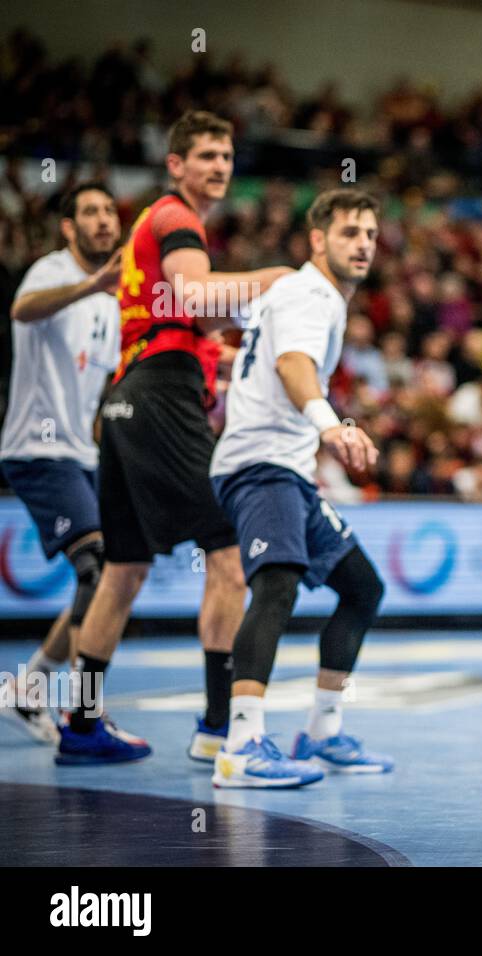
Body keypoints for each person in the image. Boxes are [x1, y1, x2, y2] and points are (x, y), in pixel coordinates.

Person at [59, 110, 292, 765]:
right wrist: (276, 281)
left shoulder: (157, 227)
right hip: (158, 399)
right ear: (176, 165)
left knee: (123, 570)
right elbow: (194, 297)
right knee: (229, 553)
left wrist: (209, 350)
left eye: (227, 155)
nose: (220, 166)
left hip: (127, 400)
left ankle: (80, 723)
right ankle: (220, 728)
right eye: (207, 155)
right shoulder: (174, 218)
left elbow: (176, 316)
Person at [208, 189, 390, 788]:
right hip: (262, 466)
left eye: (369, 232)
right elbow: (292, 366)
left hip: (286, 470)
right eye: (348, 233)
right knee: (277, 587)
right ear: (318, 240)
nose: (363, 242)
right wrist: (331, 426)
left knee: (362, 588)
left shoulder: (305, 296)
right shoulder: (311, 293)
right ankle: (240, 746)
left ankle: (323, 732)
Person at [0, 183, 120, 744]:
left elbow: (97, 389)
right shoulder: (51, 272)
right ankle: (85, 712)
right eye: (89, 212)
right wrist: (90, 283)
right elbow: (22, 310)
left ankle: (28, 689)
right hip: (37, 448)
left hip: (82, 452)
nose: (103, 221)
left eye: (108, 212)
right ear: (68, 227)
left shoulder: (114, 301)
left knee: (109, 575)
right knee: (95, 566)